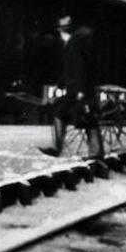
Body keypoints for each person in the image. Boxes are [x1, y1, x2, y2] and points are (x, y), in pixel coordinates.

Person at [41, 14, 103, 158]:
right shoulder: (83, 42)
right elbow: (73, 69)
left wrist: (79, 90)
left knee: (60, 113)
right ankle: (96, 152)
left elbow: (78, 68)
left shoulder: (73, 44)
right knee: (88, 119)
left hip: (77, 90)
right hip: (84, 88)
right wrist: (60, 84)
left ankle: (57, 148)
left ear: (63, 32)